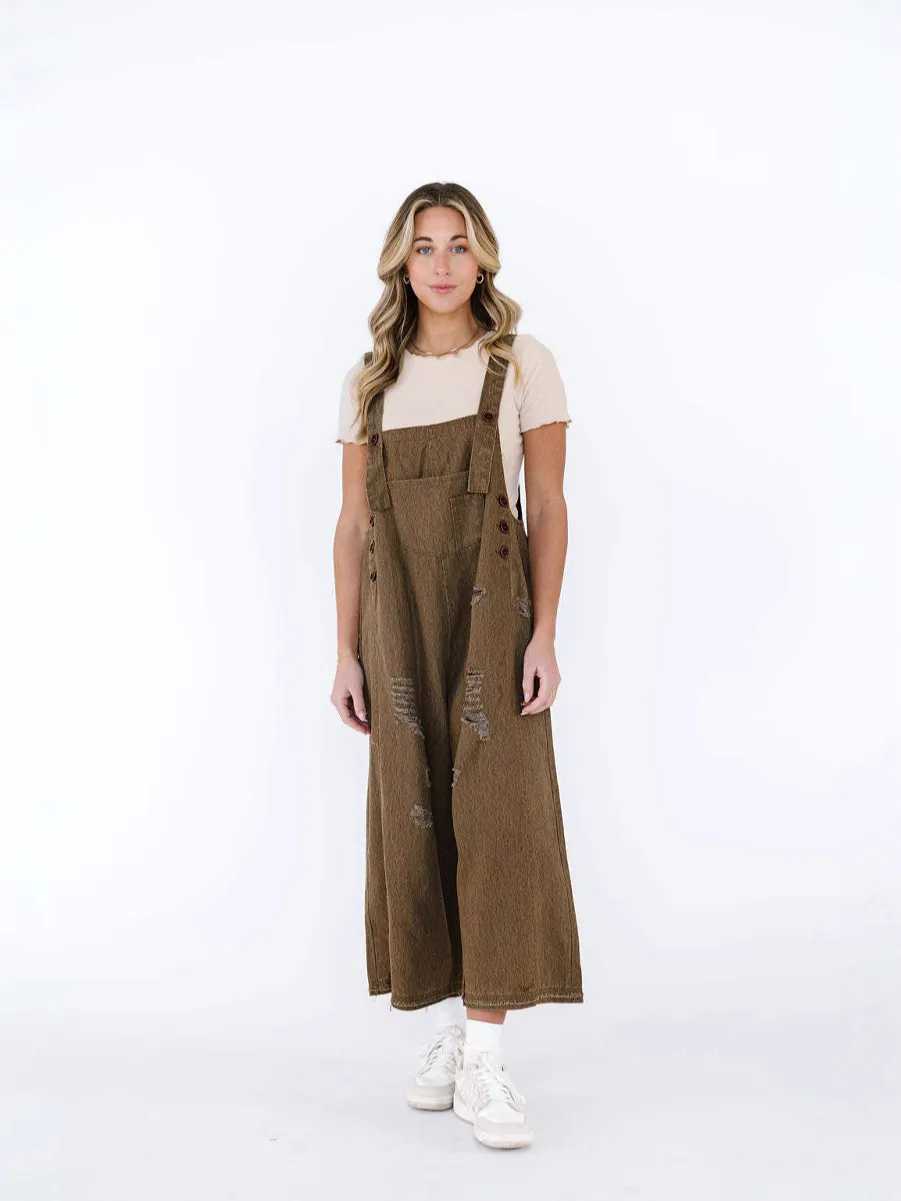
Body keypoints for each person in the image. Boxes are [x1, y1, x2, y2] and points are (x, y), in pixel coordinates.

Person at [331, 181, 584, 1150]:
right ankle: (450, 1025)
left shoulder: (522, 362)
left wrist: (543, 632)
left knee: (498, 815)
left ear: (483, 259)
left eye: (458, 244)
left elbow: (547, 505)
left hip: (492, 620)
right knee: (415, 811)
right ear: (401, 263)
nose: (441, 263)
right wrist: (346, 650)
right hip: (395, 622)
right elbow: (353, 524)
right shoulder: (370, 379)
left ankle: (486, 1053)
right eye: (424, 246)